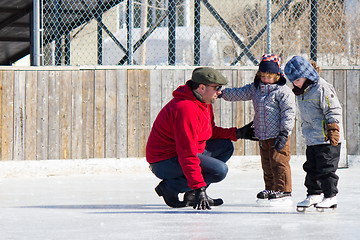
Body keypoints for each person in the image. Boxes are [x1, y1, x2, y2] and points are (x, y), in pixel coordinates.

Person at [146, 67, 255, 210]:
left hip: (181, 154)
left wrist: (238, 133)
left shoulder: (203, 103)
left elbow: (210, 132)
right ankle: (170, 188)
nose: (219, 92)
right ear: (202, 87)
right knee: (219, 171)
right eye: (216, 88)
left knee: (225, 147)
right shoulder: (186, 109)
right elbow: (187, 153)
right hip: (164, 162)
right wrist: (199, 188)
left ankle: (191, 194)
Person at [220, 54, 296, 201]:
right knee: (267, 164)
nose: (265, 79)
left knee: (279, 162)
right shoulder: (256, 88)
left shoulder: (283, 91)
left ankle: (283, 190)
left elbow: (289, 113)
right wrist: (222, 94)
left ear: (277, 75)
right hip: (262, 135)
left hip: (279, 135)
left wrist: (284, 133)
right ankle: (270, 188)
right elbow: (239, 93)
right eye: (263, 76)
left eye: (269, 76)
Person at [284, 56, 343, 210]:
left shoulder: (322, 88)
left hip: (327, 138)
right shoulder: (301, 91)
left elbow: (333, 109)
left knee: (326, 169)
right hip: (312, 138)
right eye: (293, 80)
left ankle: (330, 196)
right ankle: (314, 194)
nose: (295, 83)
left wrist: (333, 128)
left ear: (307, 74)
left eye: (298, 79)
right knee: (311, 167)